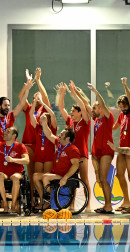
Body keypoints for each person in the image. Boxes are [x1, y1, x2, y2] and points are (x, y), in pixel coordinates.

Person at [18, 68, 51, 206]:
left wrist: (38, 80)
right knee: (31, 174)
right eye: (34, 97)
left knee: (40, 175)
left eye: (38, 97)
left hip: (40, 145)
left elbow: (46, 96)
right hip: (29, 144)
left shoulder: (45, 110)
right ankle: (31, 201)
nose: (36, 98)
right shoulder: (29, 109)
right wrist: (27, 83)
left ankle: (44, 200)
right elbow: (21, 97)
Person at [33, 116, 80, 210]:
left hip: (65, 176)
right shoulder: (59, 145)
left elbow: (76, 165)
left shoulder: (73, 149)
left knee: (46, 177)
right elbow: (49, 134)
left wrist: (65, 177)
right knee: (35, 176)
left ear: (67, 138)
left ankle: (51, 199)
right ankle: (45, 200)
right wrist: (44, 122)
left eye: (61, 135)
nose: (59, 135)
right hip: (55, 174)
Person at [58, 81, 91, 210]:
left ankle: (87, 205)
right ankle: (71, 204)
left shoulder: (85, 122)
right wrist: (62, 94)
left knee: (84, 179)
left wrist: (74, 94)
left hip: (82, 155)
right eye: (70, 111)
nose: (70, 112)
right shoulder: (69, 121)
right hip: (71, 156)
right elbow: (61, 108)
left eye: (73, 111)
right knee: (72, 181)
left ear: (79, 113)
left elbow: (83, 107)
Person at [112, 77, 130, 213]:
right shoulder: (121, 116)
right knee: (119, 174)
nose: (122, 109)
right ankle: (126, 200)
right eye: (120, 107)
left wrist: (125, 85)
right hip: (121, 150)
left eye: (124, 106)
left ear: (129, 105)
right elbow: (113, 127)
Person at [88, 83, 115, 214]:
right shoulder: (97, 120)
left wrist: (96, 91)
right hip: (97, 152)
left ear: (100, 108)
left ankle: (109, 205)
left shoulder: (108, 118)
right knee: (100, 179)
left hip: (106, 152)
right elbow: (85, 107)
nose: (92, 110)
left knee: (104, 179)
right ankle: (106, 204)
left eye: (94, 108)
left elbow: (103, 104)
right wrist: (75, 93)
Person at [30, 93, 57, 174]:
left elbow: (52, 114)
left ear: (48, 120)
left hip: (49, 156)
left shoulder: (52, 128)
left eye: (44, 118)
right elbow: (31, 114)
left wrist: (42, 102)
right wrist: (35, 102)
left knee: (46, 177)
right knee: (37, 177)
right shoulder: (38, 127)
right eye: (41, 118)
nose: (42, 119)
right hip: (38, 155)